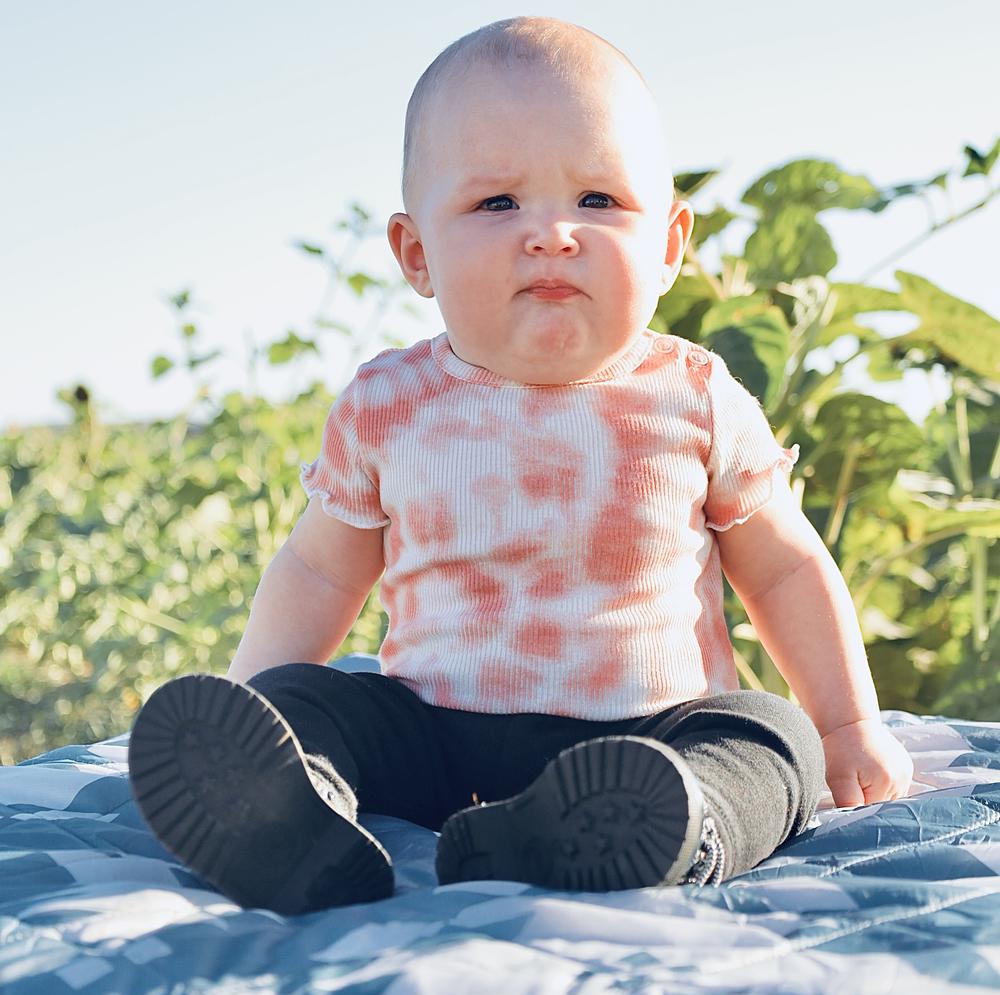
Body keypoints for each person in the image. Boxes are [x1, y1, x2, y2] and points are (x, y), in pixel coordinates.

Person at [127, 16, 913, 915]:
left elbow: (783, 568)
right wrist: (252, 701)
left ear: (668, 247)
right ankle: (278, 810)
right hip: (433, 733)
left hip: (654, 734)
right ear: (417, 253)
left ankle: (670, 826)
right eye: (498, 203)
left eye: (598, 199)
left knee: (772, 737)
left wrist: (847, 721)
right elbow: (317, 571)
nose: (551, 233)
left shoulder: (694, 394)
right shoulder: (390, 403)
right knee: (314, 700)